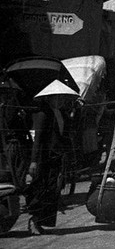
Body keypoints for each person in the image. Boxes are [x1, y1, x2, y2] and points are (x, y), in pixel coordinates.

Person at [25, 80, 78, 235]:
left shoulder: (61, 113)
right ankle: (34, 220)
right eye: (58, 98)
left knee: (51, 190)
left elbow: (64, 135)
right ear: (50, 98)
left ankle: (42, 221)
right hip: (44, 157)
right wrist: (34, 161)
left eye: (62, 98)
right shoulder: (43, 114)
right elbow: (39, 138)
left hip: (55, 157)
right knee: (40, 189)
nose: (61, 101)